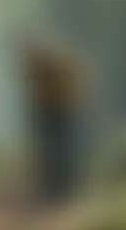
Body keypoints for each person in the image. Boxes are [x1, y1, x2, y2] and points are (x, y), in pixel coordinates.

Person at [22, 38, 84, 207]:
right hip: (51, 113)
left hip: (59, 112)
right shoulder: (41, 68)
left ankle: (62, 187)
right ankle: (56, 187)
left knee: (59, 150)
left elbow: (68, 89)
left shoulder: (51, 67)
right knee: (54, 151)